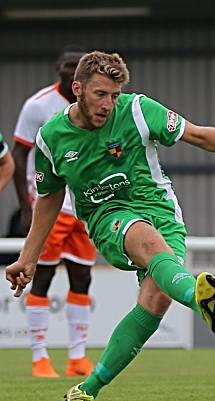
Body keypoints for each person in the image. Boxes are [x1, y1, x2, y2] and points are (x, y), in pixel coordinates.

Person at [5, 51, 215, 401]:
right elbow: (49, 197)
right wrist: (29, 256)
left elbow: (198, 135)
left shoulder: (138, 110)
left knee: (156, 301)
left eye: (114, 95)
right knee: (147, 243)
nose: (108, 104)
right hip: (106, 215)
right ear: (77, 89)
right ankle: (199, 300)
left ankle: (86, 391)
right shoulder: (51, 137)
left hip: (162, 210)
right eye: (100, 94)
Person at [12, 45, 97, 379]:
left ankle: (77, 358)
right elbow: (19, 155)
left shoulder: (96, 104)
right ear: (58, 68)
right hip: (50, 206)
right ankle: (40, 359)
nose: (74, 70)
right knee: (42, 276)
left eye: (80, 66)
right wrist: (24, 205)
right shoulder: (38, 106)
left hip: (86, 207)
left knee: (82, 277)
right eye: (70, 65)